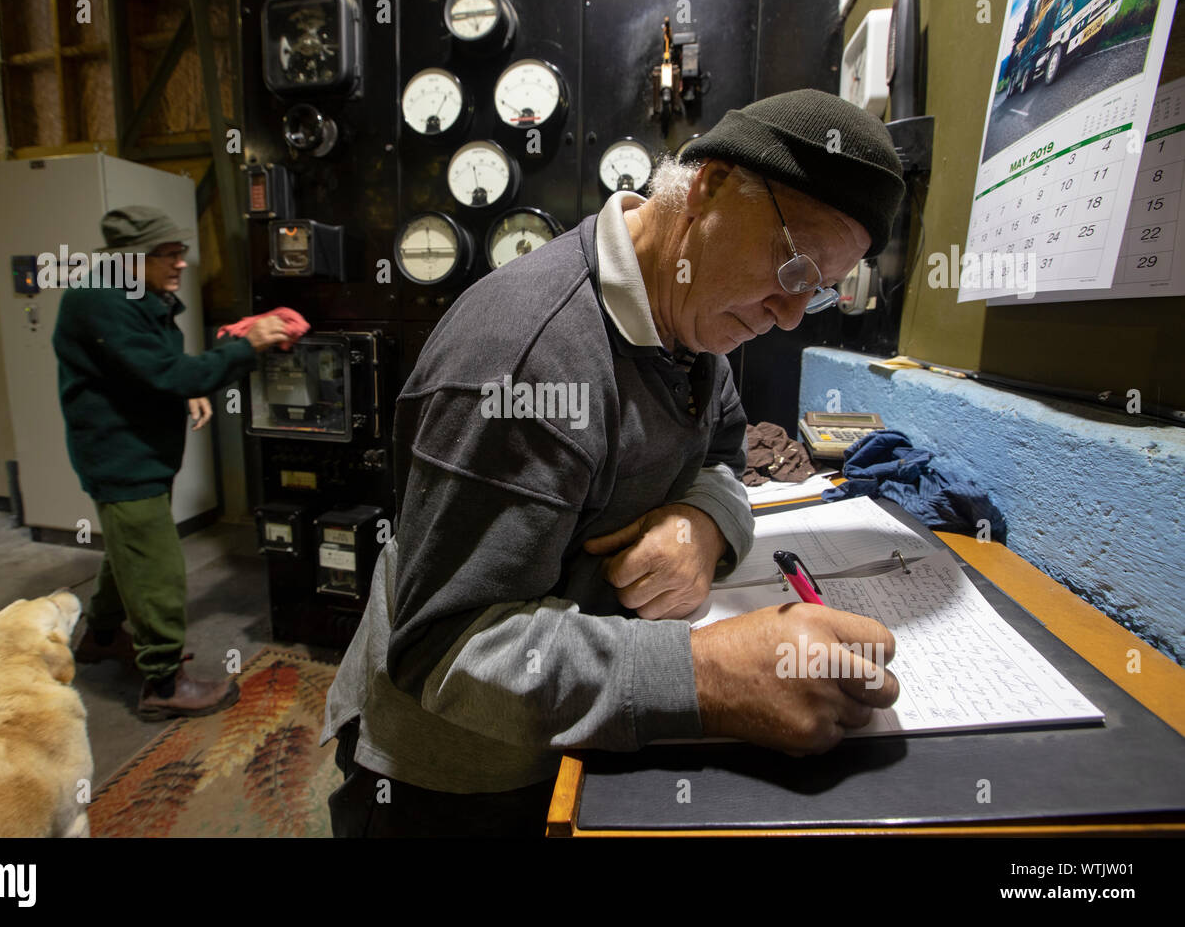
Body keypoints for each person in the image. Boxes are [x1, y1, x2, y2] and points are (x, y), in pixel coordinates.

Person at [322, 89, 909, 835]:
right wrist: (707, 675)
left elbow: (726, 452)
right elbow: (448, 649)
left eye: (819, 292)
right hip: (457, 776)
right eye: (793, 267)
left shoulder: (694, 320)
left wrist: (705, 521)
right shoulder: (523, 360)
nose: (789, 315)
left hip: (577, 744)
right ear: (710, 187)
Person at [53, 206, 292, 720]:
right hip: (121, 458)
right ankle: (163, 682)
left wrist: (185, 388)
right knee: (157, 568)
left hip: (145, 453)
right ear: (130, 258)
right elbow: (164, 371)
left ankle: (98, 636)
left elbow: (145, 369)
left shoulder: (138, 293)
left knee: (130, 551)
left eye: (181, 253)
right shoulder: (99, 302)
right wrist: (238, 352)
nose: (181, 264)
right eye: (169, 254)